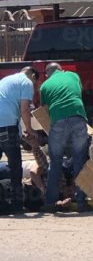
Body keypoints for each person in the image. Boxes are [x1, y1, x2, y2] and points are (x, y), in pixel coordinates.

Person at [40, 63, 90, 213]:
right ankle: (81, 202)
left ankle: (50, 203)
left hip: (58, 120)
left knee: (55, 162)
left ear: (47, 74)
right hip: (77, 116)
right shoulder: (73, 75)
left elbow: (45, 110)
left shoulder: (44, 86)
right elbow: (78, 93)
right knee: (79, 160)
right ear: (61, 69)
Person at [0, 66, 38, 212]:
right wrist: (29, 129)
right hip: (7, 125)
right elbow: (24, 109)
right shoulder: (26, 82)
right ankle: (17, 205)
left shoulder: (6, 80)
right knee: (15, 165)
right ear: (33, 76)